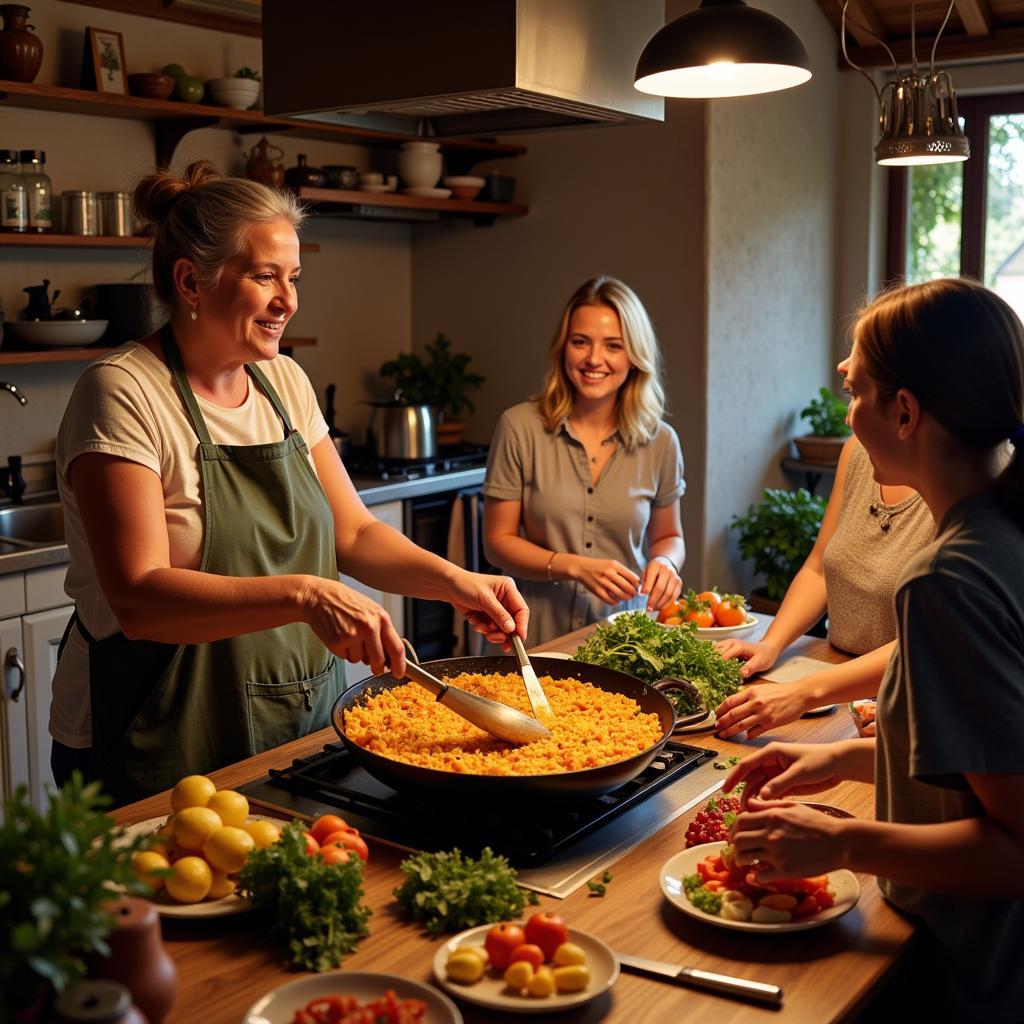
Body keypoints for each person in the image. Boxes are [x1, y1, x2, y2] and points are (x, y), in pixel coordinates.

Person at [50, 161, 528, 803]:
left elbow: (353, 532)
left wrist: (456, 583)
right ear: (192, 282)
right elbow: (139, 598)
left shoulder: (284, 384)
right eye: (265, 276)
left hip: (299, 721)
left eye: (294, 278)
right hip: (159, 730)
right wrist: (306, 596)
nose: (289, 300)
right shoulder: (123, 393)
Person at [725, 278, 1024, 1020]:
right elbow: (980, 769)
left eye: (855, 392)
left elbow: (1017, 846)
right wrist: (836, 759)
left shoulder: (947, 579)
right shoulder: (1004, 529)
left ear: (904, 411)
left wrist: (846, 843)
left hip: (976, 977)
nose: (848, 414)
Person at [482, 276, 684, 645]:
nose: (594, 359)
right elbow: (497, 542)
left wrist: (667, 563)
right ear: (563, 348)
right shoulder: (519, 426)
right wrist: (574, 566)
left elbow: (669, 536)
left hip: (623, 640)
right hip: (530, 635)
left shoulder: (662, 442)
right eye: (580, 342)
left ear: (635, 356)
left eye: (613, 346)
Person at [713, 435, 934, 739]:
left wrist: (804, 693)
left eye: (858, 394)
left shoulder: (966, 481)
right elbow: (819, 569)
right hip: (836, 672)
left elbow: (929, 640)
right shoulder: (856, 450)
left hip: (908, 692)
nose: (847, 416)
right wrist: (770, 644)